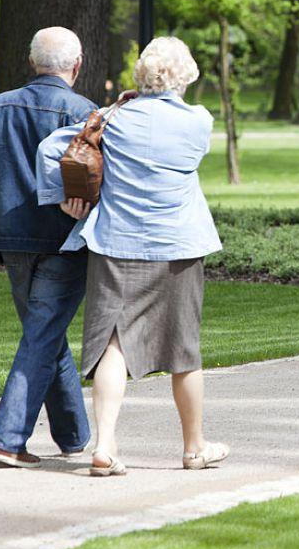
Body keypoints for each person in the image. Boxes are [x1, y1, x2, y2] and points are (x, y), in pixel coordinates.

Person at [37, 36, 227, 476]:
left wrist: (66, 196)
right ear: (183, 76)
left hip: (115, 244)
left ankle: (104, 445)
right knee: (184, 350)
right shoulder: (198, 121)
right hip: (178, 247)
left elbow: (52, 149)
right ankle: (194, 448)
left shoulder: (111, 117)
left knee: (112, 345)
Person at [0, 27, 98, 468]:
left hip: (11, 240)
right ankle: (8, 439)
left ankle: (72, 435)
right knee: (43, 333)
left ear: (32, 63)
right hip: (64, 240)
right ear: (77, 63)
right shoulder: (85, 112)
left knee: (43, 332)